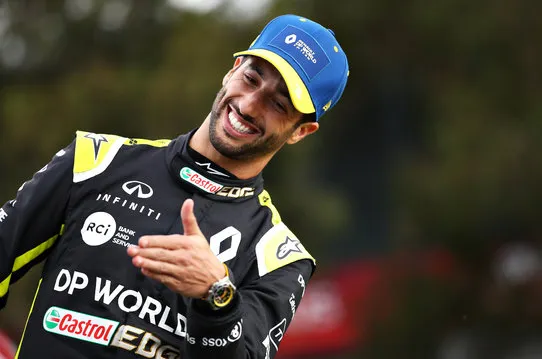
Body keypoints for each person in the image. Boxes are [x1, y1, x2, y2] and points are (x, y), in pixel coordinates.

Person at [0, 14, 349, 358]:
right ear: (233, 69)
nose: (248, 105)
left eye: (278, 104)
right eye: (252, 78)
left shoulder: (278, 257)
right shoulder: (94, 162)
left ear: (301, 131)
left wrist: (218, 298)